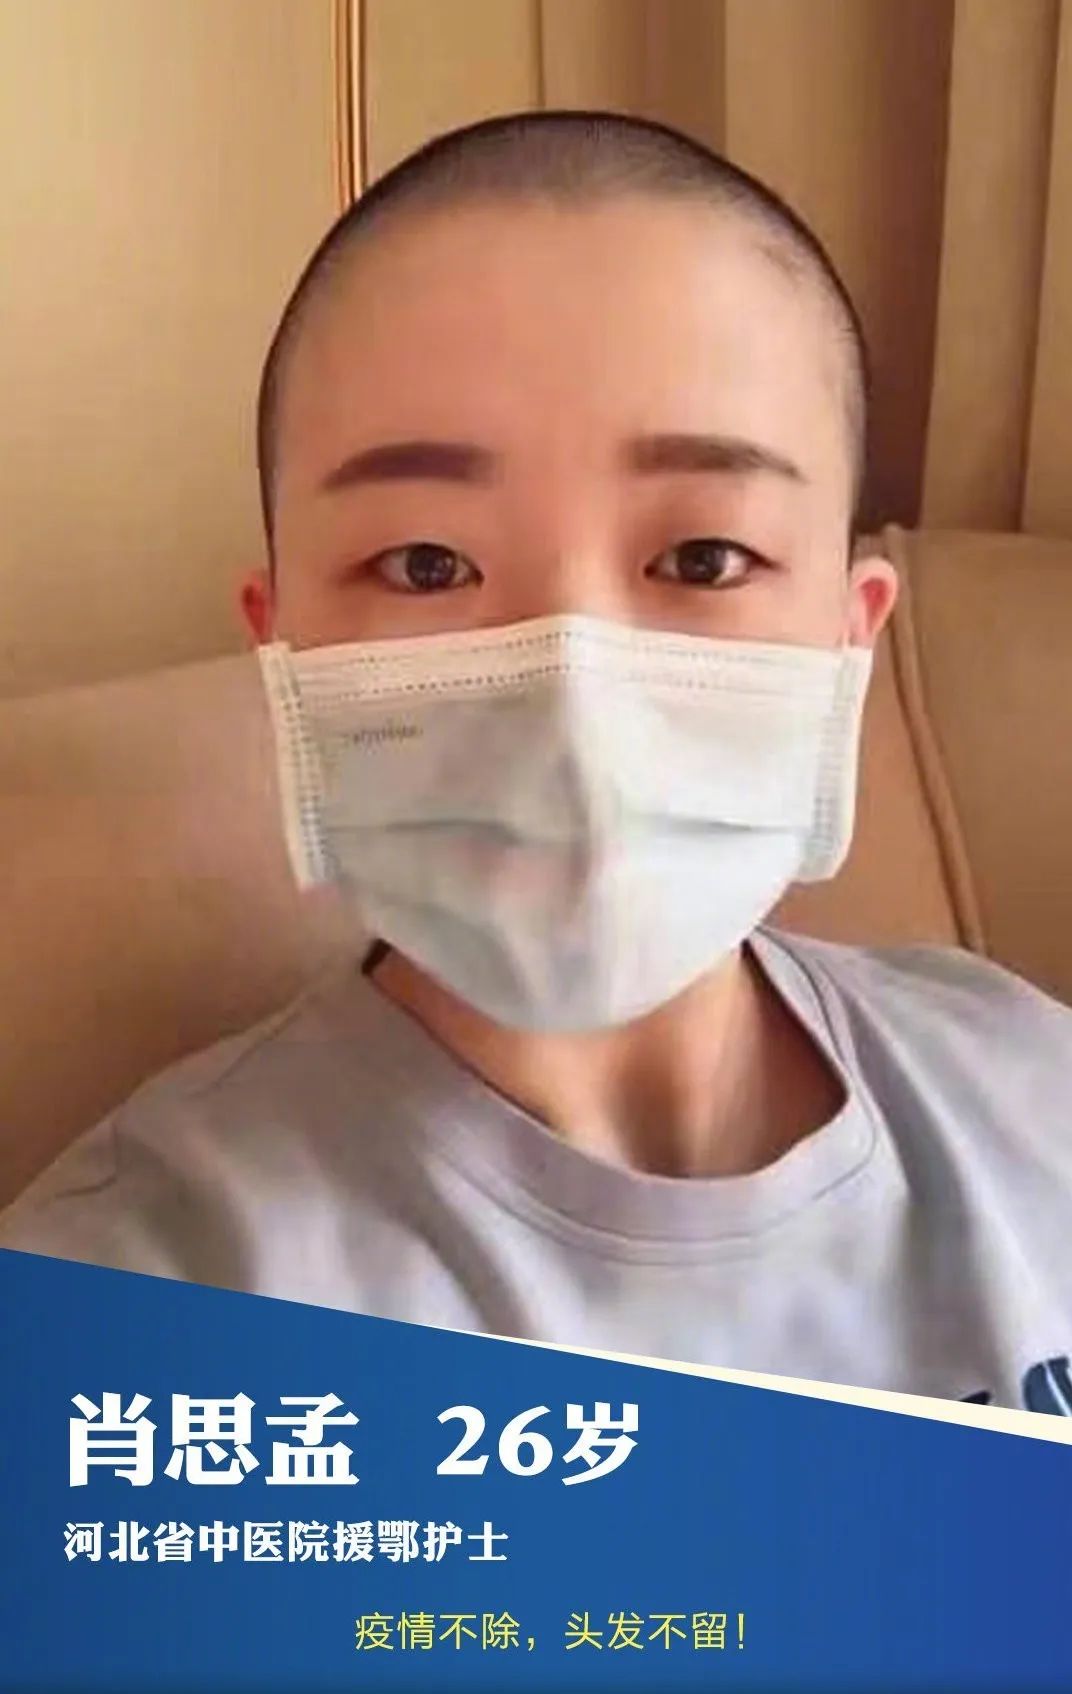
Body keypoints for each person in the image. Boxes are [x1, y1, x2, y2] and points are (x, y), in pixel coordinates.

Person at [3, 112, 1070, 1416]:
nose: (573, 695)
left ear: (852, 638)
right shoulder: (128, 1319)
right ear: (284, 653)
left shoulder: (1027, 1076)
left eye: (704, 559)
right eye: (427, 564)